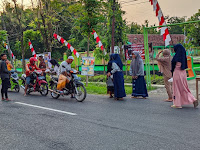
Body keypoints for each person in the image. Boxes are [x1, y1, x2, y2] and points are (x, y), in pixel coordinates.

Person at [171, 44, 198, 109]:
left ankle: (177, 104)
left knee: (177, 88)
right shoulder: (184, 57)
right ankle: (193, 99)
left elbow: (173, 65)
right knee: (184, 88)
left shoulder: (176, 57)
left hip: (177, 73)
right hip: (183, 73)